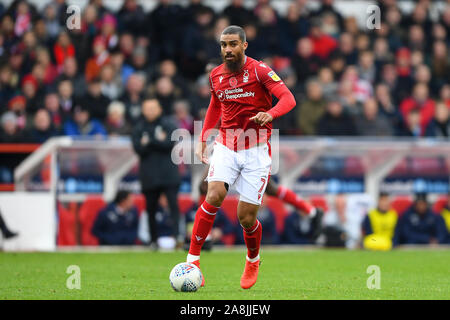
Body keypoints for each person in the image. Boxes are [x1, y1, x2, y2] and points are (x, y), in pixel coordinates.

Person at [187, 25, 320, 290]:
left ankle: (253, 258)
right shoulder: (215, 76)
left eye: (233, 44)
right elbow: (216, 106)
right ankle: (193, 260)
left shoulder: (260, 71)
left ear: (244, 45)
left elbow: (288, 98)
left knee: (246, 218)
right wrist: (203, 138)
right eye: (224, 45)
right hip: (226, 144)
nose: (227, 49)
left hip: (256, 150)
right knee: (212, 194)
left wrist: (270, 113)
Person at [131, 98, 181, 250]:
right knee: (150, 208)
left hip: (168, 173)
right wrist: (157, 141)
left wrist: (149, 141)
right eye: (147, 108)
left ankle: (177, 237)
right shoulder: (138, 127)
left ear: (159, 109)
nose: (150, 111)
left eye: (153, 108)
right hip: (149, 175)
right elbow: (138, 148)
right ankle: (153, 241)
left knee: (173, 206)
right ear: (143, 110)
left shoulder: (168, 124)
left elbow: (169, 143)